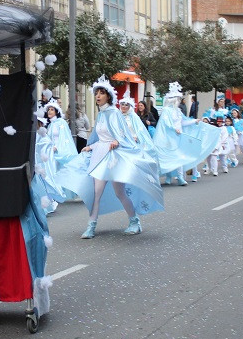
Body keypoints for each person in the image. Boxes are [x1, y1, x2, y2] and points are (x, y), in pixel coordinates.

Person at [55, 75, 163, 238]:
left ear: (108, 96)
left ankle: (134, 221)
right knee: (96, 193)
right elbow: (99, 138)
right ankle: (91, 226)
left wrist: (116, 141)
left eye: (101, 93)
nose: (97, 96)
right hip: (100, 156)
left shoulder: (114, 112)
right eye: (96, 93)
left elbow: (122, 135)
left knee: (120, 192)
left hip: (114, 158)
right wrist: (89, 147)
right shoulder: (101, 114)